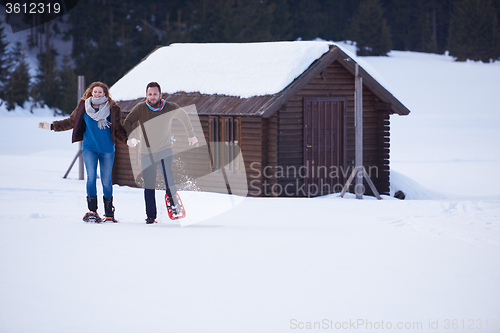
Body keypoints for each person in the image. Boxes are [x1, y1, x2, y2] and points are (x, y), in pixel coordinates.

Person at [38, 82, 127, 223]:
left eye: (100, 92)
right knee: (91, 177)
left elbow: (118, 129)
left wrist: (128, 140)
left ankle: (109, 213)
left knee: (106, 181)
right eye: (95, 92)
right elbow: (70, 122)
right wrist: (52, 126)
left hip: (107, 149)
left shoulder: (113, 108)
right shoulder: (83, 107)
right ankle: (92, 211)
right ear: (91, 92)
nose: (97, 94)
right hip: (89, 148)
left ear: (105, 94)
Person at [123, 81, 198, 224]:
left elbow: (184, 117)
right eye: (150, 94)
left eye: (155, 94)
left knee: (168, 178)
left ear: (160, 95)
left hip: (164, 150)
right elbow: (128, 121)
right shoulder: (140, 108)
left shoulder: (170, 107)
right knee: (149, 185)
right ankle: (151, 217)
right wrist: (130, 138)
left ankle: (174, 203)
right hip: (146, 152)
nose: (152, 97)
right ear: (146, 95)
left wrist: (191, 134)